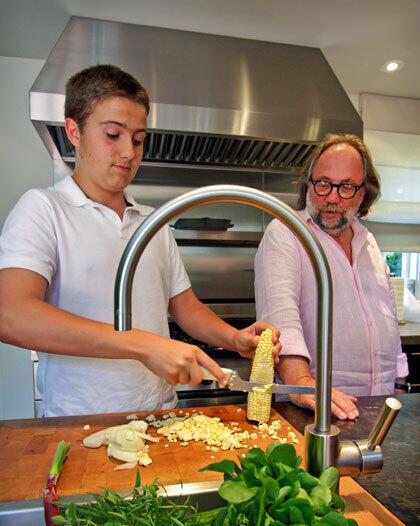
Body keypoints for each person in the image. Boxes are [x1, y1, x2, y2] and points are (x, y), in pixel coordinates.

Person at [0, 64, 279, 418]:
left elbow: (186, 308)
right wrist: (142, 345)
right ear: (74, 130)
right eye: (113, 135)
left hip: (161, 414)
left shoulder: (153, 222)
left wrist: (234, 338)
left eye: (137, 139)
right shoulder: (44, 208)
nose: (129, 153)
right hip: (81, 419)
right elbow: (10, 314)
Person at [255, 133, 408, 420]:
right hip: (316, 410)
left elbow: (385, 316)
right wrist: (302, 384)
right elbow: (281, 319)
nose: (332, 198)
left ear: (363, 192)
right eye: (323, 184)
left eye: (347, 187)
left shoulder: (369, 241)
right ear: (308, 183)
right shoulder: (286, 232)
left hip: (379, 407)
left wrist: (398, 383)